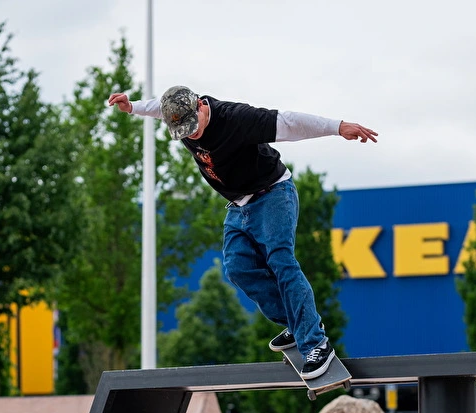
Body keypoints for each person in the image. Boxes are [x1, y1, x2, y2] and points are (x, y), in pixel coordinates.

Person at [108, 85, 378, 379]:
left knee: (281, 262)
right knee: (237, 268)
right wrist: (131, 106)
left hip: (273, 194)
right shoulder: (178, 112)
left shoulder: (238, 118)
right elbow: (158, 108)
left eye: (193, 127)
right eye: (185, 132)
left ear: (200, 106)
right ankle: (300, 322)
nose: (192, 135)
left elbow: (290, 122)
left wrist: (338, 127)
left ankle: (315, 343)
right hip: (238, 206)